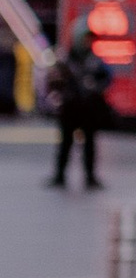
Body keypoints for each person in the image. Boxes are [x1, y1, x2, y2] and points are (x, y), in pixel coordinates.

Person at [47, 27, 109, 190]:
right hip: (70, 108)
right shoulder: (67, 59)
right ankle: (60, 175)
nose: (88, 42)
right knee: (65, 143)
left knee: (89, 144)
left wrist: (95, 87)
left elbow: (107, 78)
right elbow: (54, 80)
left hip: (88, 109)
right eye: (86, 39)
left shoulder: (95, 60)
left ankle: (90, 177)